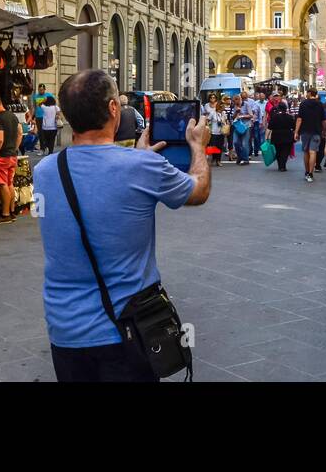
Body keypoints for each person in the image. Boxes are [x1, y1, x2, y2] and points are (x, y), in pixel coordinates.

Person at [34, 69, 210, 382]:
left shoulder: (45, 170)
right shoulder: (142, 167)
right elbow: (198, 190)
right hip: (125, 334)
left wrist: (137, 159)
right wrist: (198, 147)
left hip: (65, 332)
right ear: (114, 108)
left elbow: (97, 180)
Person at [295, 87, 326, 182]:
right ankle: (310, 173)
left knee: (306, 152)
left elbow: (299, 119)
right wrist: (324, 131)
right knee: (313, 152)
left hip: (305, 131)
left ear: (309, 93)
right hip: (316, 131)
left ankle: (306, 171)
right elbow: (324, 120)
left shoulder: (303, 104)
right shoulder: (320, 104)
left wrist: (296, 132)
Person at [267, 99, 296, 173]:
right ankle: (283, 165)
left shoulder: (275, 117)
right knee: (285, 152)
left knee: (278, 151)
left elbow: (270, 127)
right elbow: (294, 127)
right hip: (287, 136)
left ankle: (280, 165)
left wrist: (267, 137)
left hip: (276, 135)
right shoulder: (290, 117)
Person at [205, 95, 229, 165]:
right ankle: (213, 158)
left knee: (219, 147)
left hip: (221, 132)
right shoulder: (213, 113)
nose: (224, 108)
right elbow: (207, 120)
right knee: (213, 147)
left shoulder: (223, 113)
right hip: (214, 132)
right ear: (219, 106)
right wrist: (208, 127)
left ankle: (218, 160)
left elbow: (226, 121)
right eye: (222, 106)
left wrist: (225, 123)